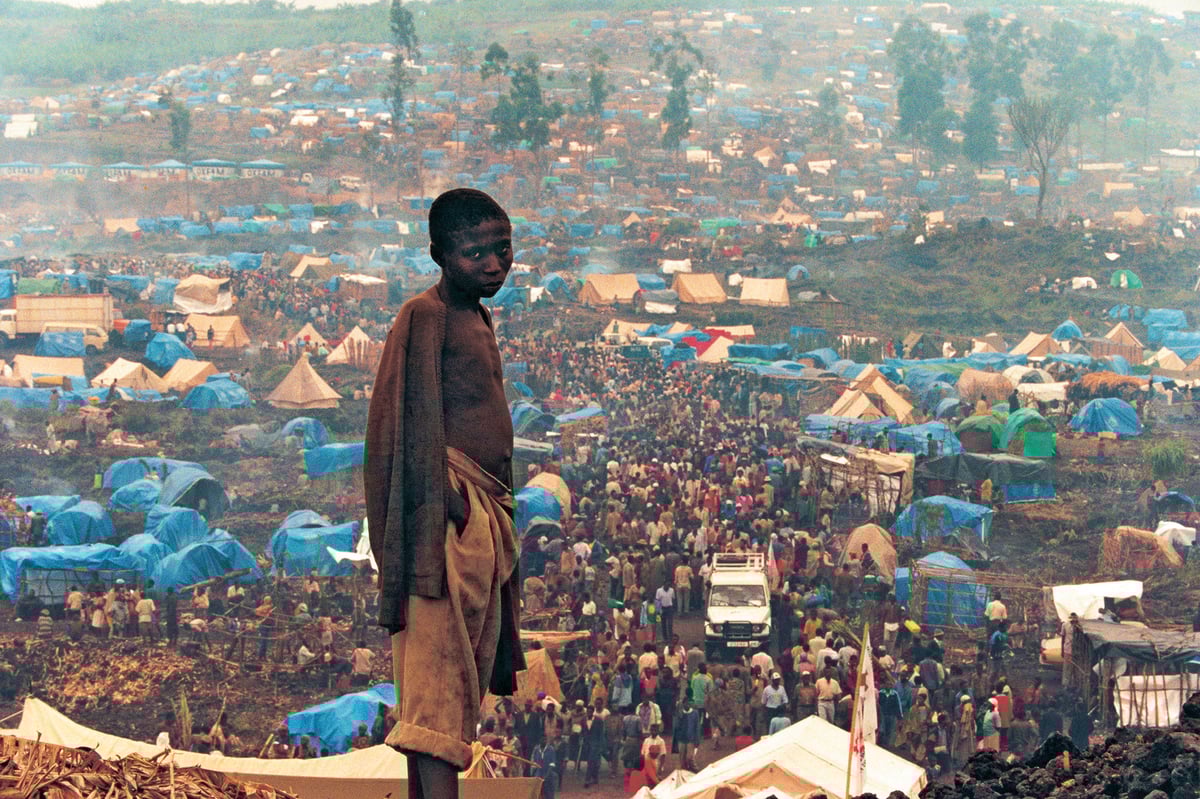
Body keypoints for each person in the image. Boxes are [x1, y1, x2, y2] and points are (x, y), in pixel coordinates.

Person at [365, 189, 525, 797]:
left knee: (457, 680)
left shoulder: (476, 316)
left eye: (503, 249)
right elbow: (405, 421)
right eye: (475, 252)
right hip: (447, 518)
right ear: (439, 254)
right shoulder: (424, 315)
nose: (493, 264)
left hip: (478, 511)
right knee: (437, 683)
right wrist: (445, 503)